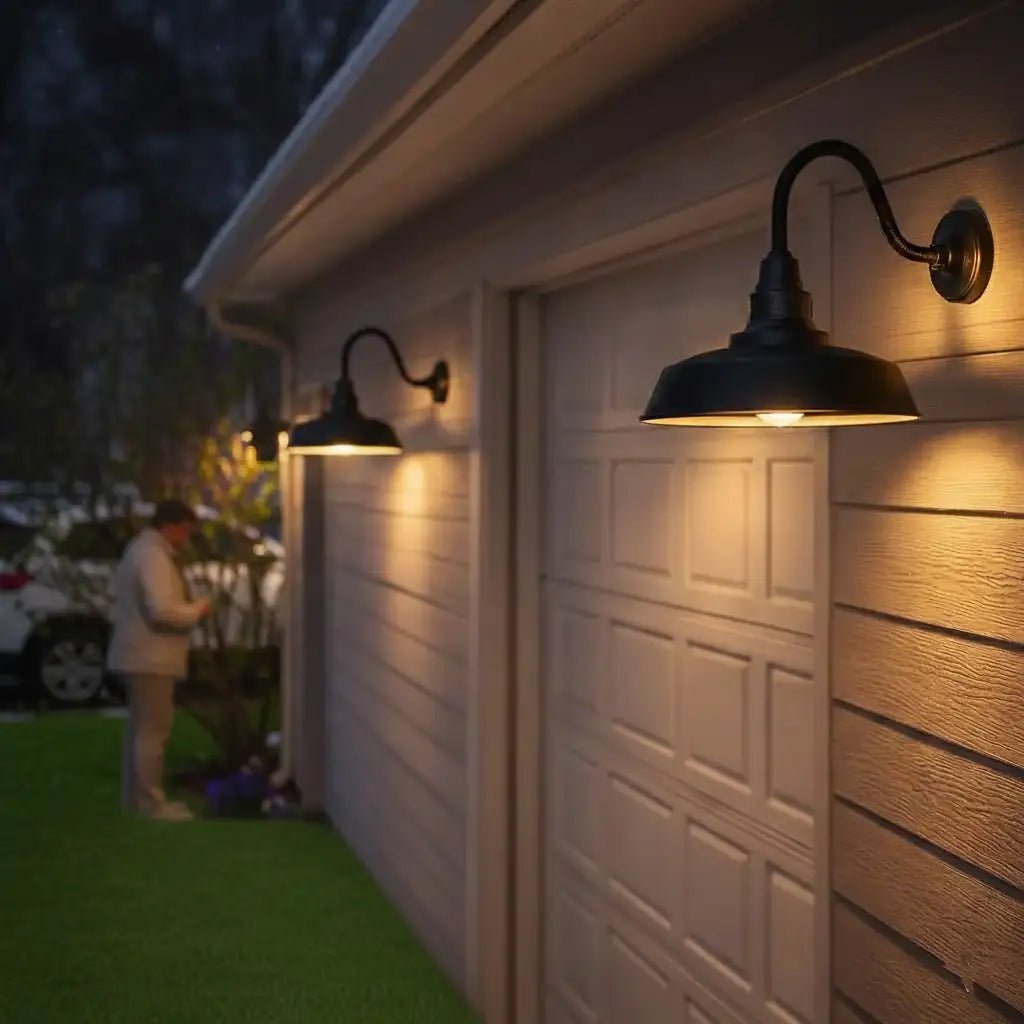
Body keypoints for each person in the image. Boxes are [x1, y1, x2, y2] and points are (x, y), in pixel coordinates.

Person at [108, 499, 210, 821]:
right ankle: (151, 802)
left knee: (140, 729)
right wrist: (196, 610)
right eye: (184, 530)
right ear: (171, 526)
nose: (186, 538)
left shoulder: (139, 550)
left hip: (136, 654)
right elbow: (162, 609)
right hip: (150, 656)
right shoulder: (153, 556)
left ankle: (135, 798)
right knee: (154, 729)